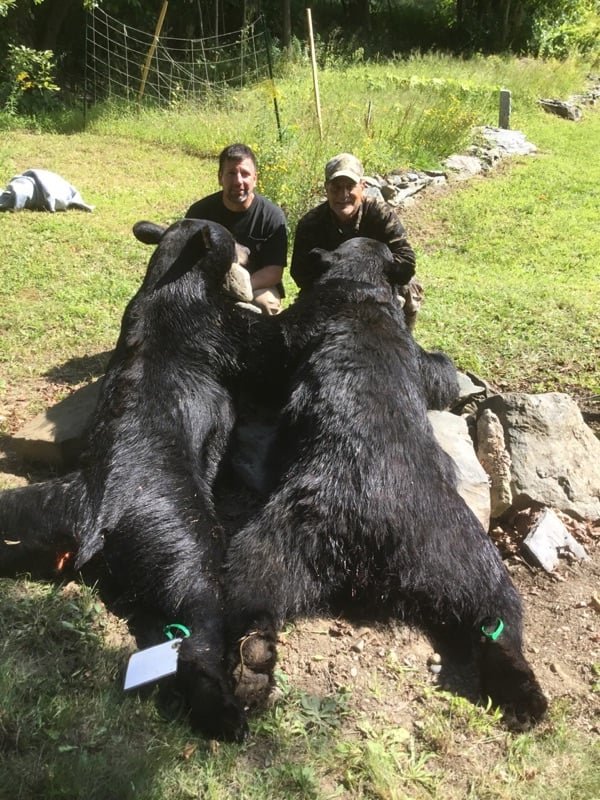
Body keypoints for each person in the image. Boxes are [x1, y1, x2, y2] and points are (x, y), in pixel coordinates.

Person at [291, 152, 422, 329]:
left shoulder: (380, 214)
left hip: (378, 282)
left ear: (362, 186)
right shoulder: (311, 222)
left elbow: (406, 260)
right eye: (336, 187)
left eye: (350, 186)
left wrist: (367, 273)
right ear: (326, 188)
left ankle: (404, 338)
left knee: (409, 292)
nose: (343, 194)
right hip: (330, 286)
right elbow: (300, 274)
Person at [186, 143, 287, 315]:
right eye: (231, 173)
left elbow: (274, 272)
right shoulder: (199, 214)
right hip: (208, 283)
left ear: (255, 178)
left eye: (245, 174)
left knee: (266, 304)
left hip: (254, 285)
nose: (238, 181)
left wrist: (239, 288)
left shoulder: (272, 216)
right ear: (220, 177)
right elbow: (187, 262)